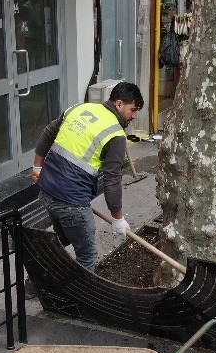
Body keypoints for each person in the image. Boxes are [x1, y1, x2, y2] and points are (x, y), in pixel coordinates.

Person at [33, 82, 143, 272]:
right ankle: (80, 300)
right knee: (88, 255)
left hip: (46, 190)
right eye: (132, 110)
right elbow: (112, 180)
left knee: (63, 239)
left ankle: (34, 282)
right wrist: (118, 218)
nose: (134, 116)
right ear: (118, 104)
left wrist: (37, 168)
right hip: (71, 202)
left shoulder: (79, 108)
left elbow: (47, 133)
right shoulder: (115, 134)